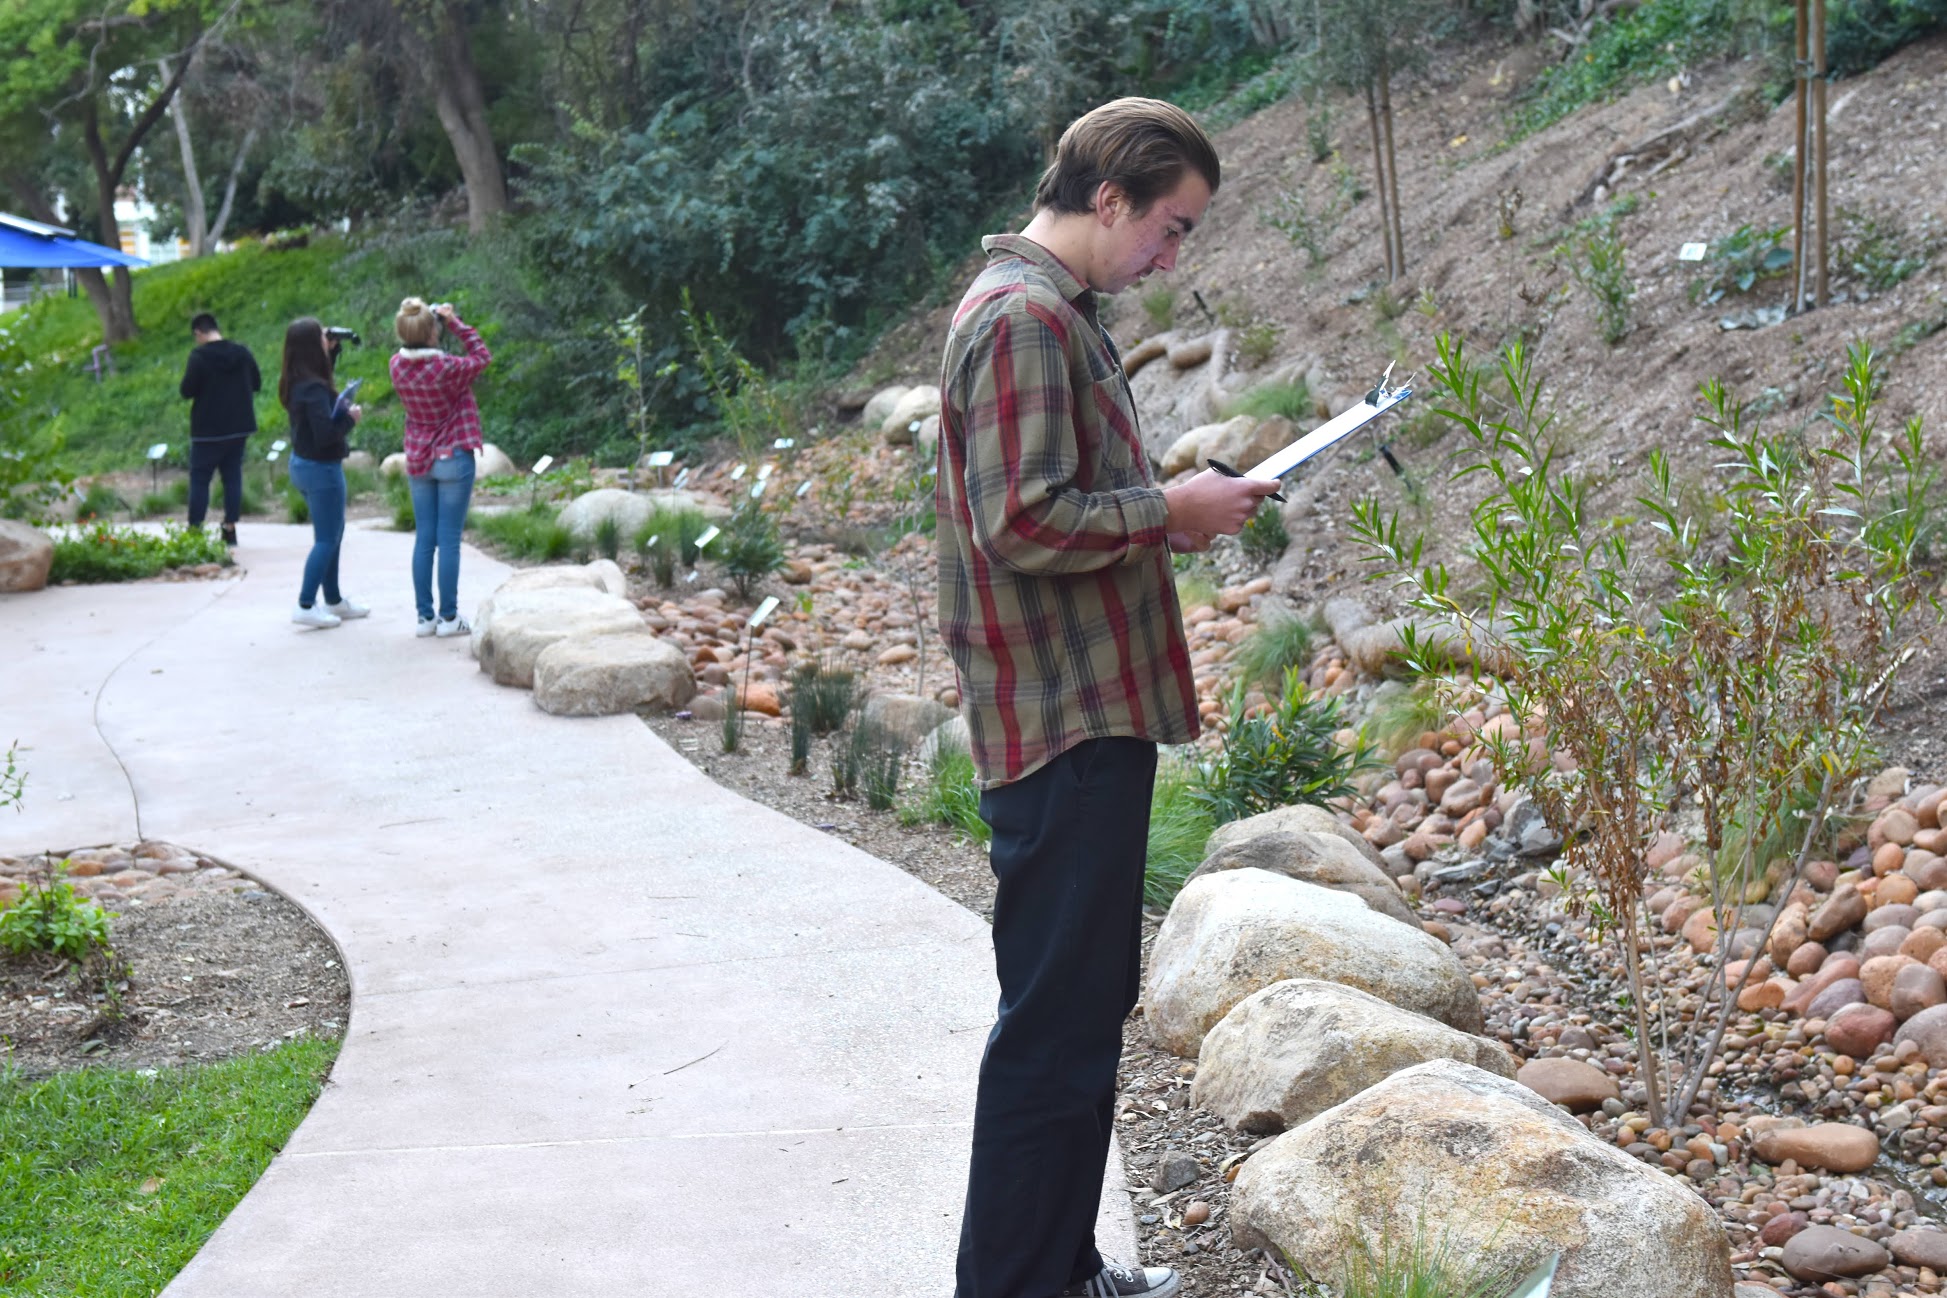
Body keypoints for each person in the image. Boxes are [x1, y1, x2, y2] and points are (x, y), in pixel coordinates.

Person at [936, 98, 1279, 1298]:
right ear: (1110, 198)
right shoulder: (1026, 319)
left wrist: (1162, 506)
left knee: (1080, 1016)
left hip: (1081, 713)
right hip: (1061, 723)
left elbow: (1056, 501)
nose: (1172, 256)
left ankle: (1057, 1265)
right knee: (1053, 1029)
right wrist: (1170, 513)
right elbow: (1019, 516)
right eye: (1170, 228)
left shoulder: (1048, 313)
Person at [389, 297, 491, 637]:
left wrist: (438, 321)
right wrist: (455, 321)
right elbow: (481, 356)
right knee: (449, 541)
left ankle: (425, 618)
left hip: (419, 459)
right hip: (453, 457)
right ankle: (449, 618)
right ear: (433, 333)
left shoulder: (396, 367)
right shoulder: (447, 367)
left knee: (425, 540)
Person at [280, 317, 368, 629]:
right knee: (327, 539)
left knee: (333, 535)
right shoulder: (313, 389)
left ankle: (333, 600)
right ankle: (305, 604)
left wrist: (330, 352)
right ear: (309, 346)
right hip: (321, 470)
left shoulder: (298, 381)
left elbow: (320, 388)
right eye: (321, 336)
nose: (325, 338)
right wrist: (350, 419)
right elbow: (325, 434)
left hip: (303, 465)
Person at [178, 312, 261, 546]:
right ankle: (230, 528)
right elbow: (257, 383)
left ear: (198, 333)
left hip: (207, 430)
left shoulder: (199, 357)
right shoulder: (242, 352)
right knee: (232, 477)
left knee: (200, 480)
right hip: (239, 427)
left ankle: (195, 531)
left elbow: (187, 390)